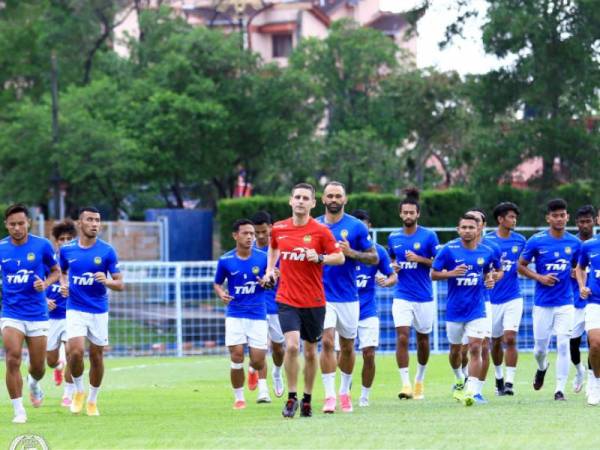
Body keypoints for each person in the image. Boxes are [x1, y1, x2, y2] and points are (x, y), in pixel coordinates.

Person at [264, 183, 344, 418]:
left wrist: (319, 257)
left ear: (312, 203)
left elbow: (339, 257)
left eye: (305, 198)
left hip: (314, 300)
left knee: (310, 353)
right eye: (297, 197)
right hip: (287, 298)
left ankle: (307, 398)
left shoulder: (320, 231)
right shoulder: (279, 228)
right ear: (290, 201)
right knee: (290, 346)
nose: (300, 201)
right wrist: (270, 270)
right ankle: (291, 398)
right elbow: (273, 249)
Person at [317, 181, 378, 414]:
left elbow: (373, 258)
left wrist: (351, 252)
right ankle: (330, 395)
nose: (334, 199)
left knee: (347, 346)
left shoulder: (356, 227)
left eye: (338, 196)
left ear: (345, 199)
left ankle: (344, 391)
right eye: (330, 195)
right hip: (321, 295)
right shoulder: (313, 226)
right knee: (327, 342)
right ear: (322, 199)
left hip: (348, 297)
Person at [60, 206, 124, 416]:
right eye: (90, 220)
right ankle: (78, 390)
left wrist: (107, 281)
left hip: (98, 310)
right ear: (80, 223)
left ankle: (93, 400)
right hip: (75, 308)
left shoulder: (107, 251)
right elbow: (61, 272)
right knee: (75, 352)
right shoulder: (67, 250)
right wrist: (63, 284)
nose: (94, 224)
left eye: (97, 220)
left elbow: (120, 283)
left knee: (96, 356)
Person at [0, 204, 61, 423]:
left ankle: (34, 383)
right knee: (12, 358)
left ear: (28, 223)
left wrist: (44, 284)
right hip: (11, 313)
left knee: (38, 367)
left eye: (20, 223)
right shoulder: (1, 248)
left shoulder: (42, 245)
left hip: (37, 314)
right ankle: (19, 411)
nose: (17, 228)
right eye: (12, 224)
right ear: (6, 225)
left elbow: (56, 272)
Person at [431, 214, 501, 406]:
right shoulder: (448, 250)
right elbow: (433, 274)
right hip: (455, 309)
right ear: (458, 229)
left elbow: (491, 272)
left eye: (472, 227)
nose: (468, 230)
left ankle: (471, 392)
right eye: (464, 227)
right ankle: (459, 378)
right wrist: (451, 273)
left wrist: (490, 279)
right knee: (456, 351)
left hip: (477, 308)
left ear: (478, 229)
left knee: (476, 347)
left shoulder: (486, 251)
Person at [518, 198, 580, 400]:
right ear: (548, 218)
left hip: (566, 302)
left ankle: (559, 389)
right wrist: (539, 277)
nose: (559, 219)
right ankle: (542, 367)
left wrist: (576, 273)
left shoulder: (575, 243)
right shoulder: (536, 241)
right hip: (543, 303)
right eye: (555, 215)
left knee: (563, 344)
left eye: (562, 215)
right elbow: (520, 265)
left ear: (567, 217)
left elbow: (581, 267)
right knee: (539, 349)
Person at [387, 188, 439, 400]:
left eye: (412, 213)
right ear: (400, 214)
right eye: (405, 212)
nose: (408, 216)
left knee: (423, 339)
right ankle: (405, 384)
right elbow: (391, 261)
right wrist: (393, 267)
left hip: (424, 296)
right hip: (402, 295)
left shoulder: (429, 236)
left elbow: (439, 263)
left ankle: (419, 380)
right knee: (402, 337)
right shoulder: (393, 237)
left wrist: (420, 259)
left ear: (418, 214)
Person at [214, 219, 270, 408]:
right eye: (246, 233)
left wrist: (267, 282)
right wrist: (222, 293)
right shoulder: (226, 260)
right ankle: (239, 398)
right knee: (237, 356)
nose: (250, 237)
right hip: (235, 314)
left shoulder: (263, 258)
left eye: (252, 234)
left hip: (257, 314)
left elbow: (272, 281)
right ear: (235, 235)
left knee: (258, 358)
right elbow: (217, 283)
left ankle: (254, 370)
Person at [351, 209, 397, 407]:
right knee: (341, 353)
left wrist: (387, 281)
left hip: (368, 311)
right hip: (343, 308)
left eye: (364, 225)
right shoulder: (340, 250)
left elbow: (393, 275)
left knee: (369, 354)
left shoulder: (378, 252)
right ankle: (344, 388)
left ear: (369, 227)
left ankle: (364, 396)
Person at [485, 202, 526, 396]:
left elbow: (526, 263)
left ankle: (509, 382)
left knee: (510, 338)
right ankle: (499, 376)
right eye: (510, 217)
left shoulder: (520, 241)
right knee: (495, 341)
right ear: (500, 219)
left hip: (513, 297)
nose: (514, 220)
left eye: (515, 217)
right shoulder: (487, 241)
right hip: (492, 299)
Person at [464, 208, 503, 403]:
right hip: (460, 305)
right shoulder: (455, 247)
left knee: (482, 346)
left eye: (477, 220)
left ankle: (476, 390)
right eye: (469, 220)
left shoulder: (491, 248)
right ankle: (460, 380)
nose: (473, 224)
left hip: (483, 302)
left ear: (483, 225)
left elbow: (499, 271)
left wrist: (493, 277)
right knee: (460, 349)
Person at [250, 211, 285, 399]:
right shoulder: (249, 251)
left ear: (271, 227)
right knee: (260, 347)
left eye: (264, 231)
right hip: (256, 307)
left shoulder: (281, 249)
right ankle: (263, 390)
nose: (261, 236)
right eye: (256, 233)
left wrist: (280, 275)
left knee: (279, 348)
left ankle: (277, 372)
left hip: (278, 305)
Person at [47, 220, 77, 407]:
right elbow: (33, 284)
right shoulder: (47, 262)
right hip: (50, 318)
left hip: (72, 315)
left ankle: (68, 394)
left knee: (73, 354)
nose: (65, 242)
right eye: (61, 239)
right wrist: (44, 301)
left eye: (69, 239)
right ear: (56, 242)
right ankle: (57, 366)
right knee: (50, 360)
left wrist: (73, 291)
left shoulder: (79, 261)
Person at [575, 207, 600, 405]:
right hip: (595, 302)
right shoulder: (589, 246)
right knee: (595, 343)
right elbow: (580, 268)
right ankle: (595, 383)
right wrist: (582, 286)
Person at [571, 205, 595, 393]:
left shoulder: (595, 244)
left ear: (594, 221)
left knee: (593, 341)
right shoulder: (573, 245)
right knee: (573, 343)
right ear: (576, 223)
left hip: (593, 301)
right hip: (572, 301)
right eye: (581, 222)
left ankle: (591, 378)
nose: (585, 225)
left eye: (588, 221)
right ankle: (579, 370)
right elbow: (571, 268)